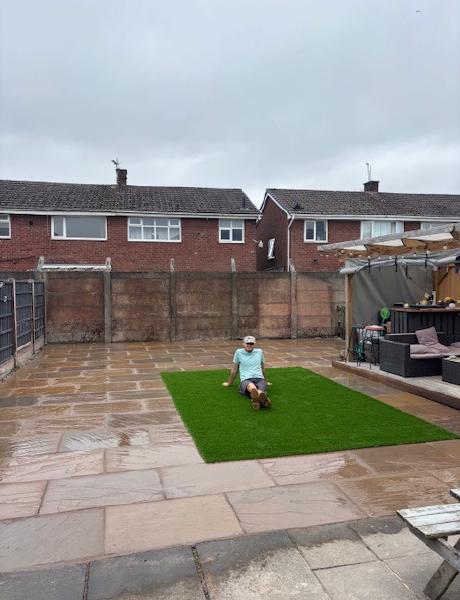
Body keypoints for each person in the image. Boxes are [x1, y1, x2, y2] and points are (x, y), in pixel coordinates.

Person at [222, 335, 271, 410]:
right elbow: (234, 369)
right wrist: (229, 383)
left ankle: (256, 398)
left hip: (259, 378)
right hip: (246, 379)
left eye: (251, 343)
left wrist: (266, 381)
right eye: (247, 343)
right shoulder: (239, 352)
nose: (249, 345)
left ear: (254, 344)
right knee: (252, 387)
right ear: (243, 344)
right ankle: (262, 398)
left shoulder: (259, 352)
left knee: (258, 389)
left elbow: (262, 368)